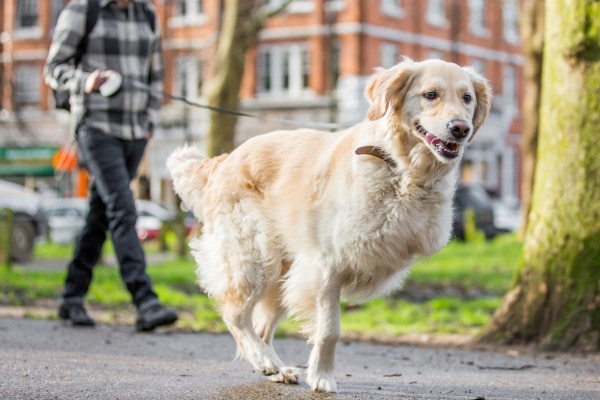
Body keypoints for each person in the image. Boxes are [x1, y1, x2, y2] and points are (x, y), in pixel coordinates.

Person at [44, 0, 178, 331]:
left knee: (100, 214)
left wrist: (151, 120)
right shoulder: (83, 10)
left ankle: (71, 296)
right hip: (96, 128)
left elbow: (155, 72)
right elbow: (54, 68)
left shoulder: (146, 12)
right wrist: (85, 81)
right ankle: (144, 300)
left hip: (135, 132)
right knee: (123, 207)